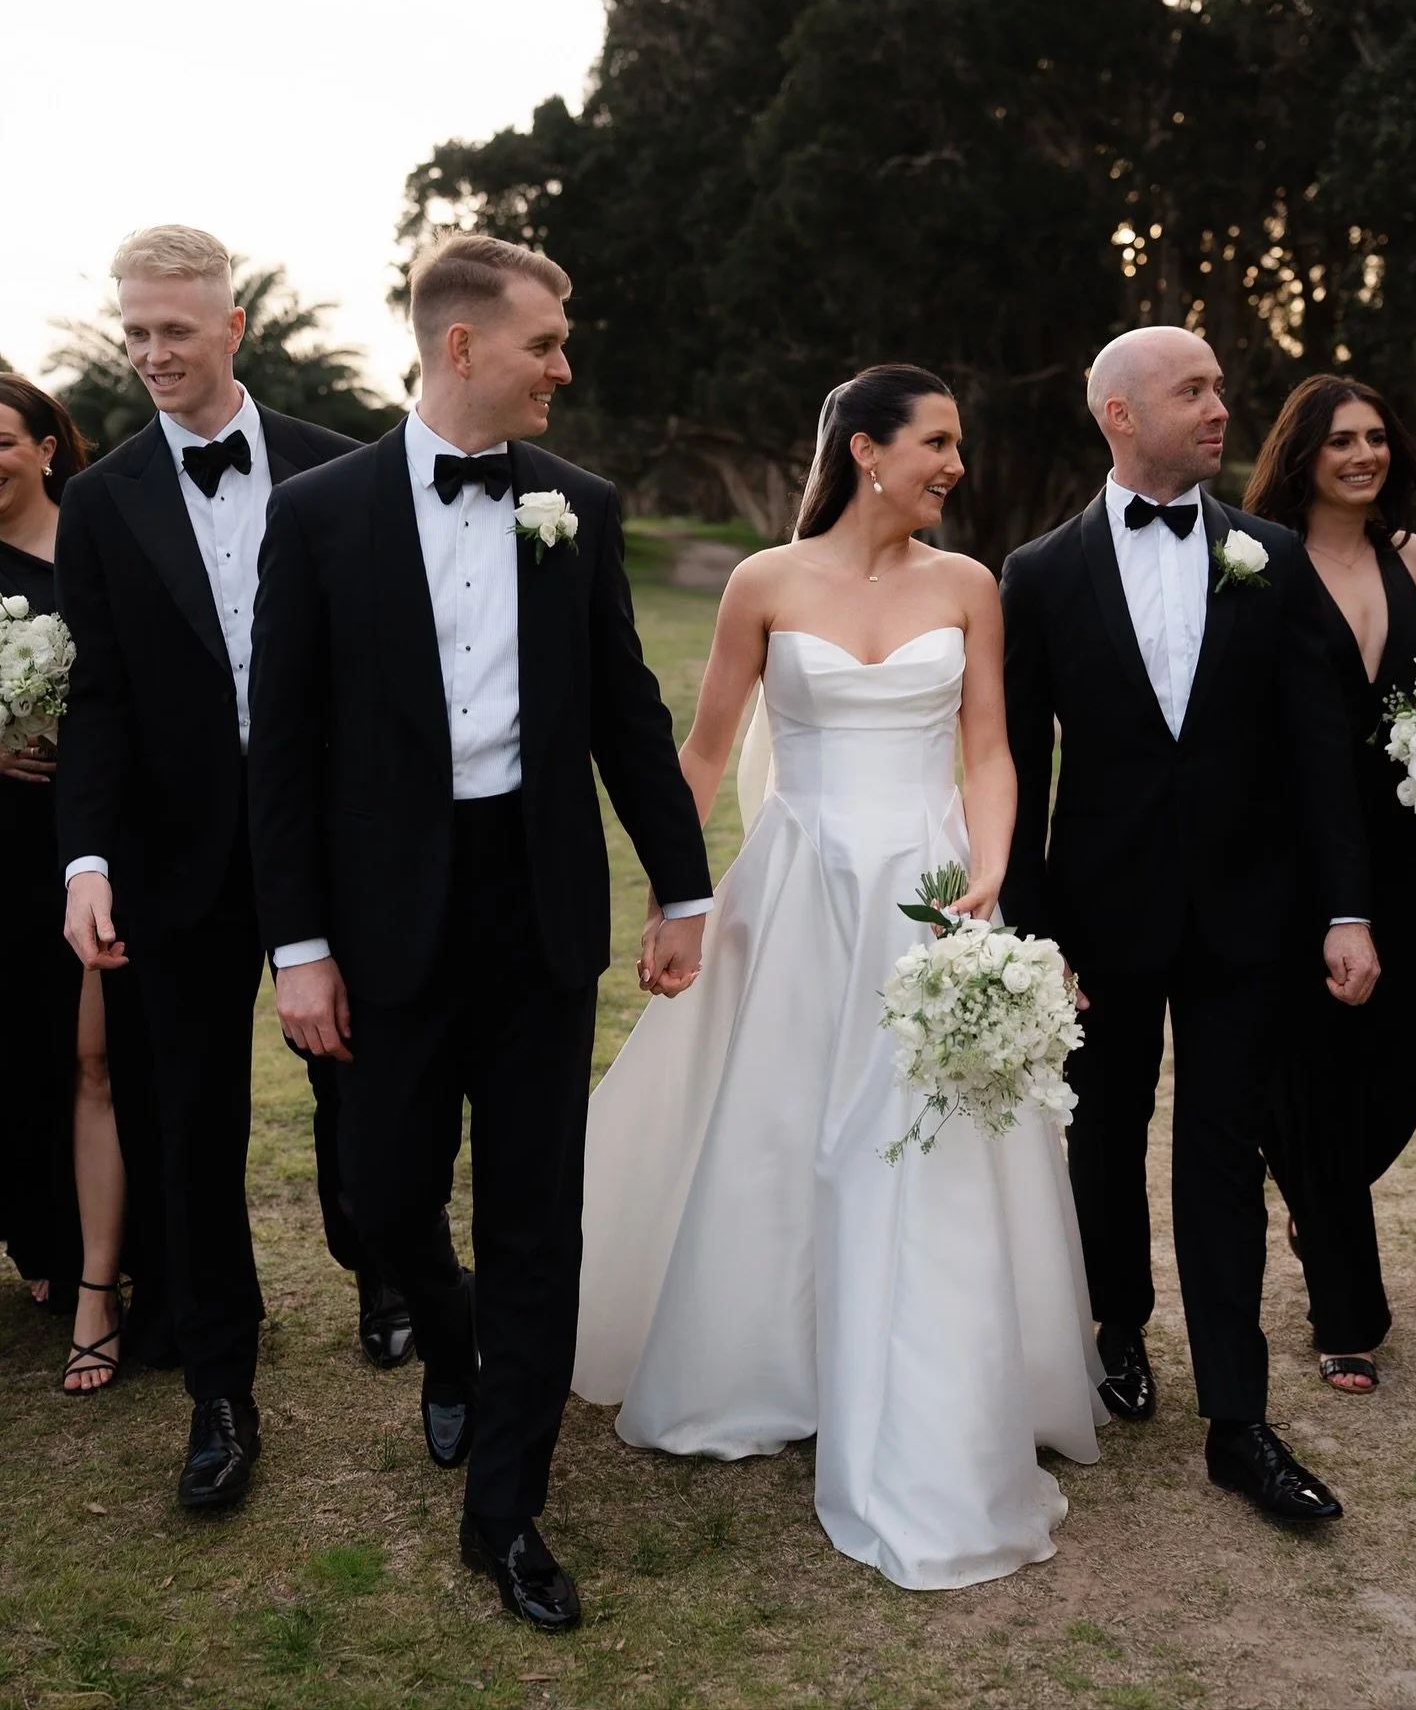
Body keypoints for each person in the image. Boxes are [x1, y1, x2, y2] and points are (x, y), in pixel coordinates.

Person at [245, 232, 712, 1632]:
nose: (564, 368)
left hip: (538, 903)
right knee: (382, 1204)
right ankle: (452, 1354)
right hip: (383, 915)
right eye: (546, 345)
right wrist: (298, 944)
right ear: (463, 346)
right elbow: (283, 753)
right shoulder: (320, 516)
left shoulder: (579, 504)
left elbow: (627, 711)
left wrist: (683, 889)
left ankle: (505, 1512)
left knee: (534, 1219)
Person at [573, 365, 1104, 1592]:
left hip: (929, 890)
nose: (956, 465)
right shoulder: (764, 582)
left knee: (924, 1134)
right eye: (938, 443)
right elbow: (703, 745)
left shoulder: (970, 585)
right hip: (798, 883)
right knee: (776, 1123)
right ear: (866, 450)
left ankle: (948, 1368)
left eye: (957, 445)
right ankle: (760, 1366)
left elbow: (991, 749)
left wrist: (988, 876)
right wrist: (675, 895)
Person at [1001, 325, 1380, 1524]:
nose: (1223, 408)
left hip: (1246, 922)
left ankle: (1240, 1422)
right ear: (1119, 412)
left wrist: (1345, 908)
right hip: (1096, 924)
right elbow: (1014, 762)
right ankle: (1117, 1330)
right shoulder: (1039, 574)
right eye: (1194, 390)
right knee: (1102, 1143)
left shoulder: (1268, 555)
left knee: (1217, 1156)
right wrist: (1032, 931)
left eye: (1220, 387)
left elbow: (1319, 751)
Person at [54, 225, 391, 1511]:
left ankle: (392, 1285)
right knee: (189, 1125)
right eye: (132, 332)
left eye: (174, 330)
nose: (149, 353)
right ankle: (220, 1393)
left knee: (359, 1090)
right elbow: (93, 701)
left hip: (327, 844)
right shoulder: (103, 501)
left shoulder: (337, 469)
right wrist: (85, 859)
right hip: (168, 857)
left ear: (231, 326)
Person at [1245, 374, 1416, 1395]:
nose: (1362, 456)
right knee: (1309, 1072)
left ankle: (1318, 1192)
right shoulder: (1257, 565)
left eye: (1375, 439)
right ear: (1304, 456)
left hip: (1407, 855)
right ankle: (1347, 1315)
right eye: (1340, 443)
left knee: (1399, 1062)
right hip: (1294, 857)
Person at [0, 375, 98, 1375]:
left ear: (42, 447)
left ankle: (111, 1242)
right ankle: (42, 1238)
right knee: (16, 1040)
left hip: (96, 826)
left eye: (0, 440)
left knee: (94, 1051)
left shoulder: (98, 539)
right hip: (2, 831)